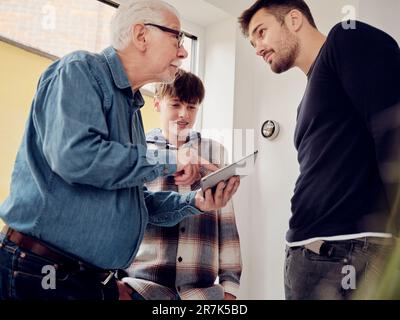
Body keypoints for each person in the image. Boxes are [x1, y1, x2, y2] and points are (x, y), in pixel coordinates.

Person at [0, 0, 240, 300]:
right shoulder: (80, 70)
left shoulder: (132, 109)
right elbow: (76, 157)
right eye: (176, 37)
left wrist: (195, 202)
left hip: (90, 281)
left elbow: (135, 202)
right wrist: (172, 158)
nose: (183, 50)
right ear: (141, 35)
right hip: (44, 274)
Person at [239, 0, 400, 300]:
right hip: (309, 254)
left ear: (294, 19)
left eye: (261, 32)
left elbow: (392, 129)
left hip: (348, 251)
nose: (258, 48)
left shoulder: (346, 37)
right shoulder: (307, 100)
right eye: (252, 43)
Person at [121, 69, 242, 300]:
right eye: (175, 105)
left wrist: (230, 288)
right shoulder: (139, 152)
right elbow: (124, 216)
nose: (183, 115)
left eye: (191, 107)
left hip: (202, 294)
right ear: (157, 104)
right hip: (142, 288)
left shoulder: (214, 152)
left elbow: (226, 221)